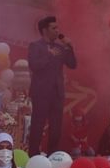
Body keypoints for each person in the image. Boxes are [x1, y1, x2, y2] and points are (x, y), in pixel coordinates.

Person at [27, 15, 77, 156]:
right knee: (38, 125)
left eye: (57, 28)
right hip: (41, 92)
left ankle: (52, 156)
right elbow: (34, 66)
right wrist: (48, 55)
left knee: (56, 128)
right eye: (54, 28)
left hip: (57, 92)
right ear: (44, 30)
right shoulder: (35, 46)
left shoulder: (60, 48)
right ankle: (33, 156)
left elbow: (72, 64)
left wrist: (69, 47)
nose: (57, 31)